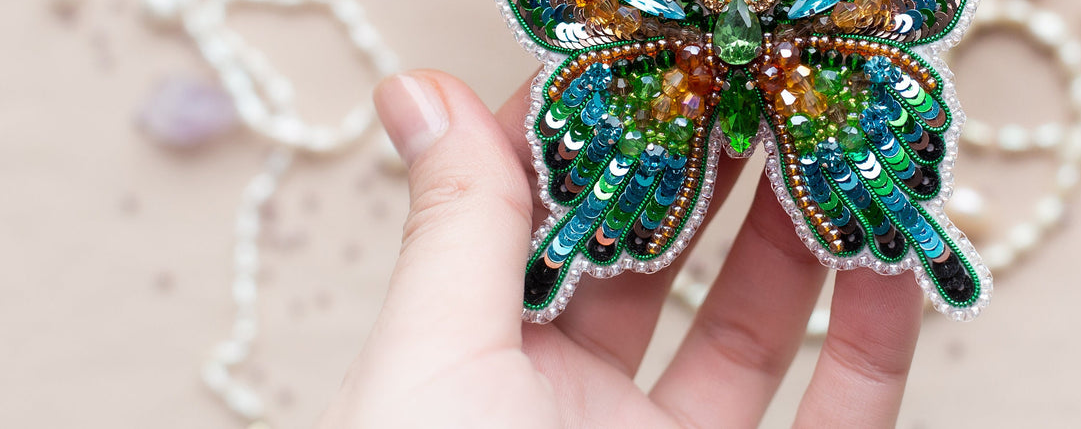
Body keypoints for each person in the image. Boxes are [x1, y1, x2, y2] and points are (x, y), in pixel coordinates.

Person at [320, 69, 926, 428]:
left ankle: (560, 253)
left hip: (677, 106)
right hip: (687, 103)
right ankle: (924, 236)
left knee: (586, 215)